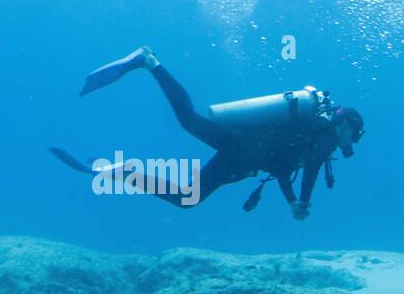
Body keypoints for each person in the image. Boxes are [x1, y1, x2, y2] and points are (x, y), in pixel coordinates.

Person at [51, 46, 363, 219]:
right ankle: (149, 62)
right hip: (242, 151)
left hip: (242, 155)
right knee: (188, 141)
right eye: (355, 134)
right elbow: (307, 171)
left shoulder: (314, 136)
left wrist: (292, 201)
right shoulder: (323, 138)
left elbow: (283, 168)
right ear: (346, 125)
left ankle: (123, 171)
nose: (352, 142)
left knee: (188, 192)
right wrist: (304, 202)